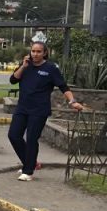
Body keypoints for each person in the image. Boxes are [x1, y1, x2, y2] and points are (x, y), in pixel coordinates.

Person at [8, 41, 82, 181]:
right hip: (22, 108)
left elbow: (63, 86)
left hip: (39, 110)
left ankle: (28, 171)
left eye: (38, 52)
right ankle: (31, 163)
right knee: (13, 135)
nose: (35, 54)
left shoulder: (50, 68)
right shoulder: (25, 66)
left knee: (31, 139)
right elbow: (13, 80)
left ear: (44, 53)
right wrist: (23, 66)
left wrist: (73, 101)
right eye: (33, 51)